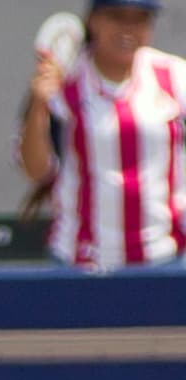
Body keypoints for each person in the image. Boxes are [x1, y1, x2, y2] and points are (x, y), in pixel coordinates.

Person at [17, 0, 186, 268]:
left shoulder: (174, 76)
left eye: (140, 19)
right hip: (80, 262)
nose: (128, 29)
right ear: (94, 21)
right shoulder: (65, 81)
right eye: (117, 17)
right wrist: (39, 104)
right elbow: (36, 170)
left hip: (167, 259)